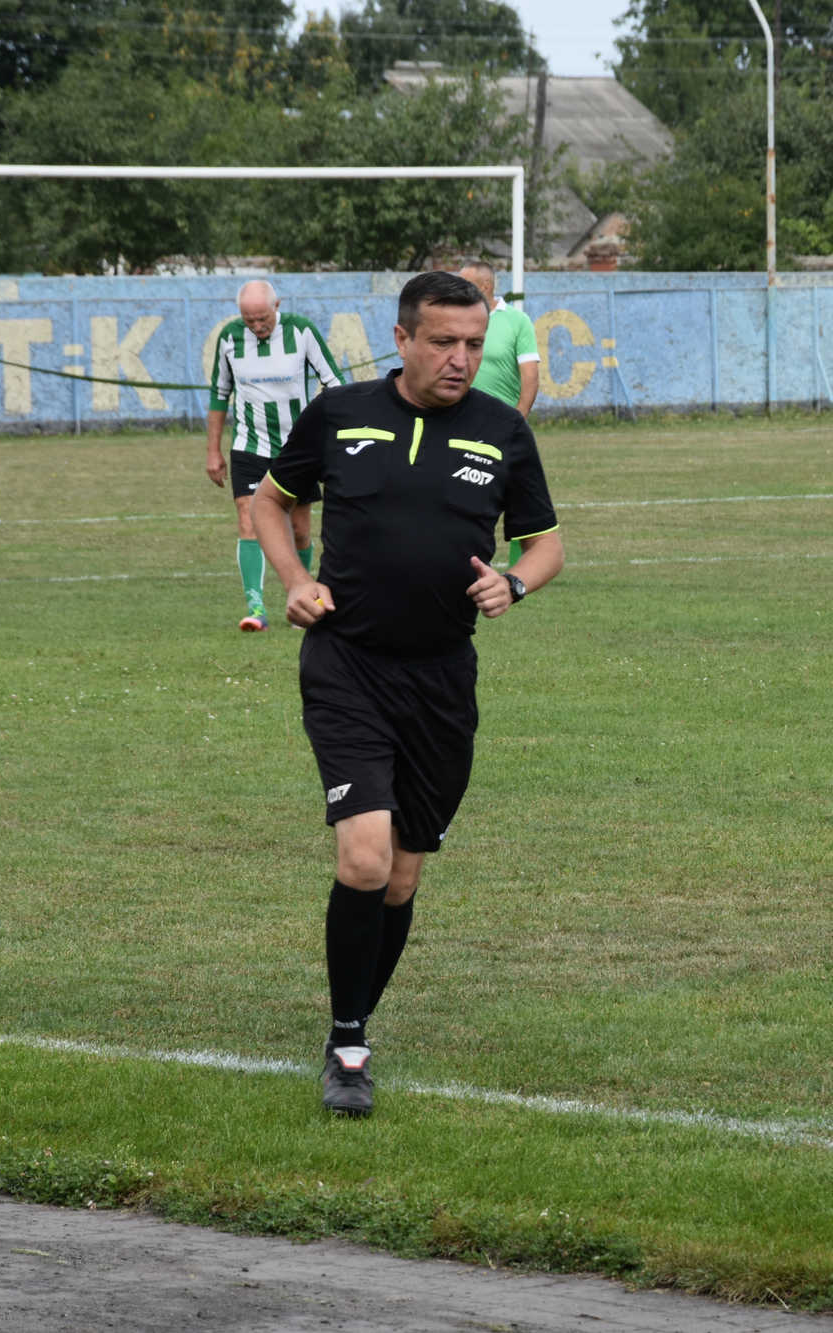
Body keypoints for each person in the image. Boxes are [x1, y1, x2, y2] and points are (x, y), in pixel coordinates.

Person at [250, 270, 563, 1119]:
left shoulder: (503, 430)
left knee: (399, 878)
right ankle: (349, 1044)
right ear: (402, 339)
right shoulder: (341, 413)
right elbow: (270, 503)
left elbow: (545, 544)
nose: (461, 358)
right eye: (443, 342)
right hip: (347, 663)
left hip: (441, 680)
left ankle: (350, 1017)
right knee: (364, 857)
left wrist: (514, 583)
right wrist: (295, 580)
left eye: (474, 344)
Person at [204, 280, 346, 630]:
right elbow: (220, 394)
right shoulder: (229, 338)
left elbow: (334, 382)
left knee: (298, 530)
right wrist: (213, 451)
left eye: (263, 319)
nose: (257, 326)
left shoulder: (301, 331)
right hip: (249, 446)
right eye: (249, 320)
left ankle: (300, 598)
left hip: (298, 448)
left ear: (277, 306)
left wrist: (329, 431)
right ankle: (256, 609)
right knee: (248, 519)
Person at [457, 260, 540, 563]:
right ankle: (465, 560)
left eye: (465, 283)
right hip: (462, 424)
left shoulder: (517, 322)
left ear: (485, 287)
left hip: (504, 426)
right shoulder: (458, 321)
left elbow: (530, 376)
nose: (458, 289)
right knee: (463, 497)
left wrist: (517, 420)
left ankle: (523, 566)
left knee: (520, 498)